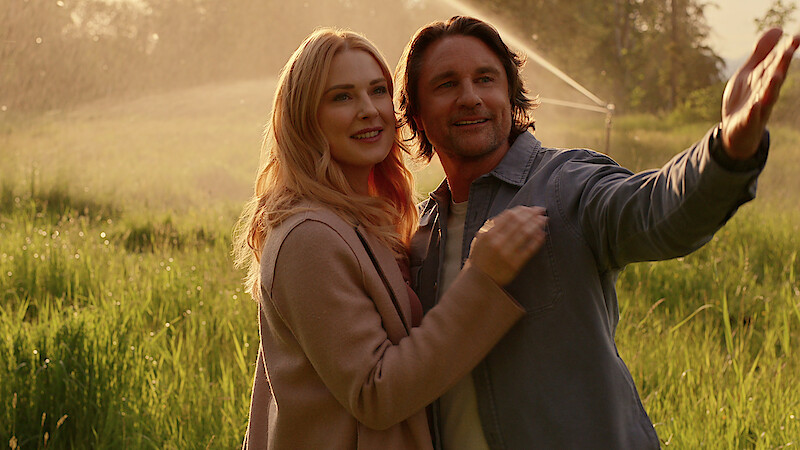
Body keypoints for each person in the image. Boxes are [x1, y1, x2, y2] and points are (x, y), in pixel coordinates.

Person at [396, 15, 800, 449]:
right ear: (416, 114)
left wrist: (726, 149)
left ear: (509, 95)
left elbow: (656, 208)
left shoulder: (565, 183)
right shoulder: (418, 235)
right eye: (446, 84)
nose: (470, 97)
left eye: (486, 79)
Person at [233, 28, 548, 449]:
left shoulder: (363, 223)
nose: (369, 110)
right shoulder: (308, 237)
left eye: (377, 91)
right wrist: (483, 279)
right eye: (341, 97)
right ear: (305, 117)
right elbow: (375, 394)